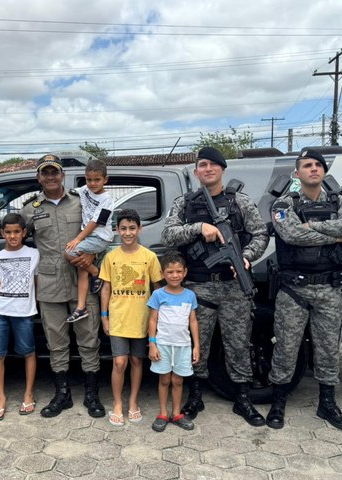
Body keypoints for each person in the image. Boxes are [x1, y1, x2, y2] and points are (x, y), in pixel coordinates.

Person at [161, 146, 269, 426]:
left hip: (234, 286)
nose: (207, 169)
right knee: (197, 344)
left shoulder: (240, 202)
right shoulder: (184, 203)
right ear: (196, 172)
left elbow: (260, 234)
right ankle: (195, 396)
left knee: (238, 343)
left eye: (213, 164)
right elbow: (168, 234)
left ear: (222, 169)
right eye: (202, 165)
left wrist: (246, 257)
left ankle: (242, 397)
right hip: (198, 287)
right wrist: (199, 228)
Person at [266, 149, 342, 431]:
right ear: (297, 173)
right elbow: (292, 235)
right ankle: (278, 402)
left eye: (318, 165)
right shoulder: (284, 204)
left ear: (324, 171)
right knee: (285, 348)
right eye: (307, 165)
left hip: (329, 288)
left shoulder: (339, 201)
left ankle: (327, 404)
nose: (313, 169)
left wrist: (314, 226)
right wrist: (335, 234)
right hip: (294, 289)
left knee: (329, 349)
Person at [20, 153, 105, 419]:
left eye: (54, 172)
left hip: (81, 280)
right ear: (39, 177)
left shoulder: (82, 202)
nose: (50, 177)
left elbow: (100, 230)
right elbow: (16, 239)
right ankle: (62, 394)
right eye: (45, 173)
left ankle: (92, 395)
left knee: (89, 340)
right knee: (56, 343)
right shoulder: (29, 209)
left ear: (62, 175)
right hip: (49, 284)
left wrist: (93, 256)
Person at [99, 209, 163, 426]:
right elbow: (106, 289)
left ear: (139, 229)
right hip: (118, 319)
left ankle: (133, 401)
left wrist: (156, 318)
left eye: (132, 228)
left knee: (137, 360)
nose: (128, 233)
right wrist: (104, 316)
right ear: (117, 230)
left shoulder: (149, 257)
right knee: (119, 362)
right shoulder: (111, 257)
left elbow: (157, 289)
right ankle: (117, 403)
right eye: (123, 228)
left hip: (141, 319)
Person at [0, 213, 39, 421]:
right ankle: (1, 398)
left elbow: (38, 280)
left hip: (24, 311)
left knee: (28, 352)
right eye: (8, 232)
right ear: (2, 233)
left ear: (24, 232)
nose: (13, 236)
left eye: (17, 231)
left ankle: (28, 394)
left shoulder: (34, 254)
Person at [147, 251, 200, 432]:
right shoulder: (158, 295)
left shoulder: (190, 295)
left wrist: (196, 346)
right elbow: (152, 320)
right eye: (170, 272)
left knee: (178, 381)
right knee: (164, 380)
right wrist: (152, 343)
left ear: (185, 272)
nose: (174, 275)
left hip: (183, 346)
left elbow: (193, 321)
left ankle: (177, 413)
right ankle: (163, 413)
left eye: (178, 271)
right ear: (163, 274)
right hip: (163, 345)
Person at [63, 158, 114, 323]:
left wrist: (78, 239)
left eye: (97, 180)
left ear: (105, 180)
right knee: (81, 268)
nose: (92, 183)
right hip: (89, 236)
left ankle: (96, 273)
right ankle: (81, 308)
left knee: (69, 252)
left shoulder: (107, 200)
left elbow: (96, 222)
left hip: (99, 237)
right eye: (89, 179)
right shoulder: (85, 189)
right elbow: (70, 193)